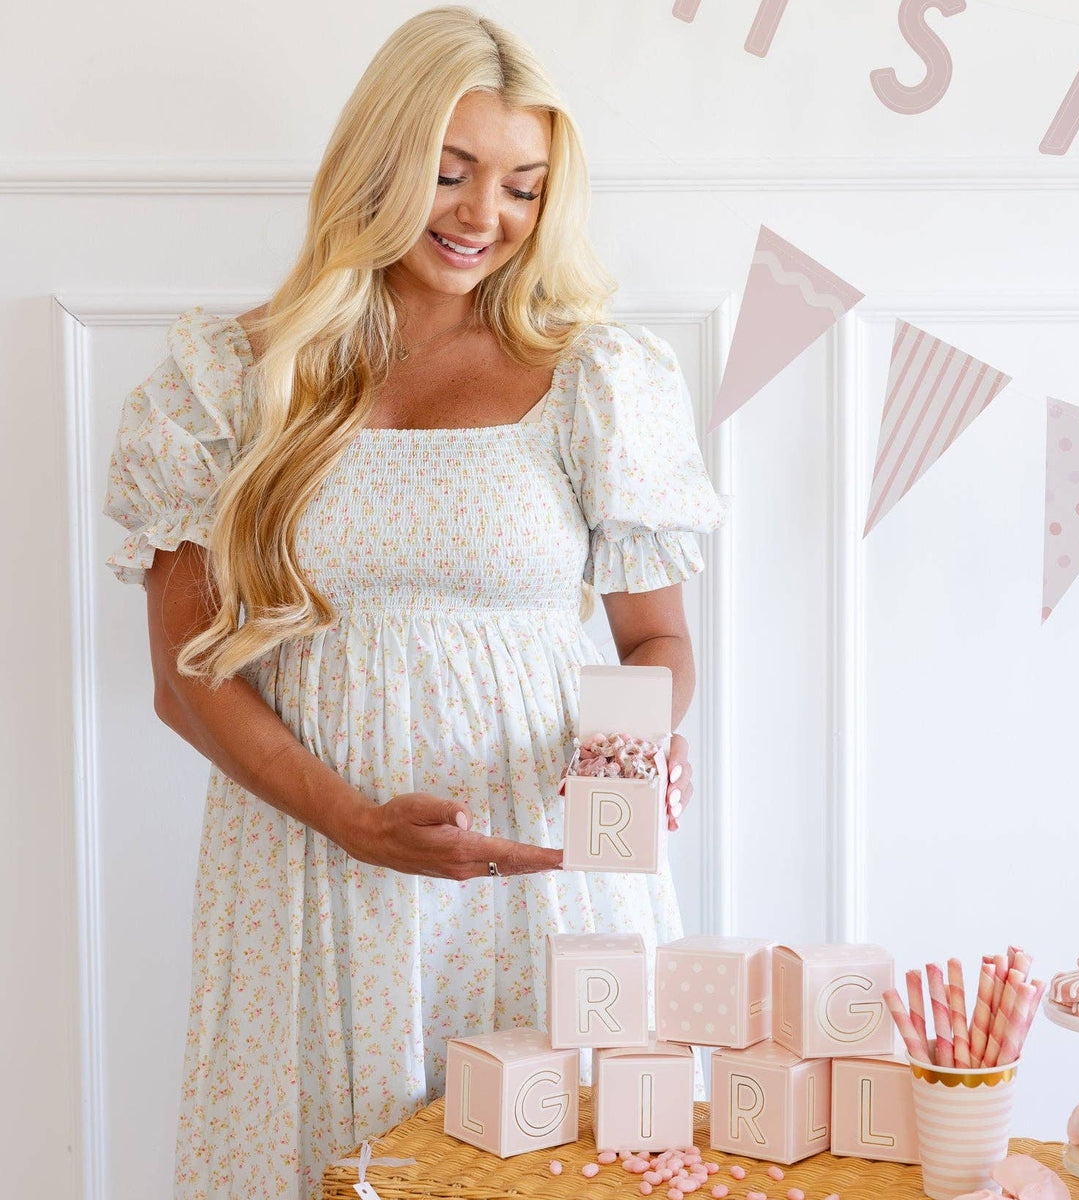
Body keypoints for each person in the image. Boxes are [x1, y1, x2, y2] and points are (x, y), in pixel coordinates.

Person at [101, 6, 728, 1198]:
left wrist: (637, 742)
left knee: (563, 1160)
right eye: (449, 172)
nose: (483, 216)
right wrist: (350, 821)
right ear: (378, 162)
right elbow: (187, 672)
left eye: (523, 187)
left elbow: (656, 638)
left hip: (551, 875)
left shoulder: (597, 378)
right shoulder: (227, 379)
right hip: (309, 866)